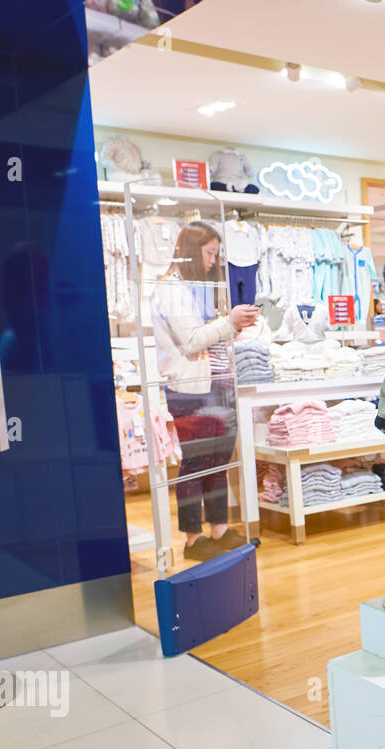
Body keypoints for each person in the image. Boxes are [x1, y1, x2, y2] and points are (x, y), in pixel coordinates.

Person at [152, 222, 259, 560]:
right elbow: (192, 339)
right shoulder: (171, 289)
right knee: (197, 463)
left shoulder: (196, 288)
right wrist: (230, 321)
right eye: (210, 253)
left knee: (218, 460)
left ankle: (219, 529)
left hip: (215, 385)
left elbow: (206, 336)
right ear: (192, 251)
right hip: (190, 390)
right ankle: (193, 538)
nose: (214, 261)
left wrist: (232, 327)